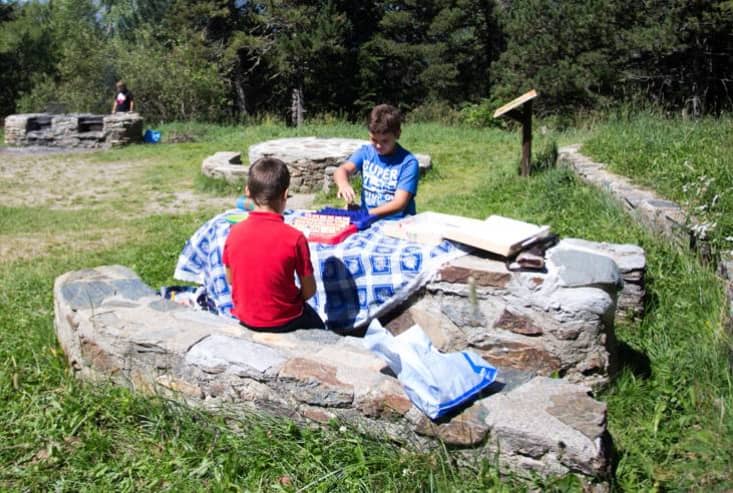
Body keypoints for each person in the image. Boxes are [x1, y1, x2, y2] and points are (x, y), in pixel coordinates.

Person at [223, 157, 324, 332]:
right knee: (320, 328)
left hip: (245, 317)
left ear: (247, 191)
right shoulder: (295, 238)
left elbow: (230, 279)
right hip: (285, 320)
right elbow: (309, 291)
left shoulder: (234, 232)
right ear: (285, 194)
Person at [333, 103, 419, 219]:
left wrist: (365, 214)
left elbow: (399, 204)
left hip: (397, 223)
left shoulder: (408, 163)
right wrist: (343, 184)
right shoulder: (365, 153)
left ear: (398, 134)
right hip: (367, 219)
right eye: (374, 140)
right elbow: (342, 170)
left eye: (385, 141)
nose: (378, 146)